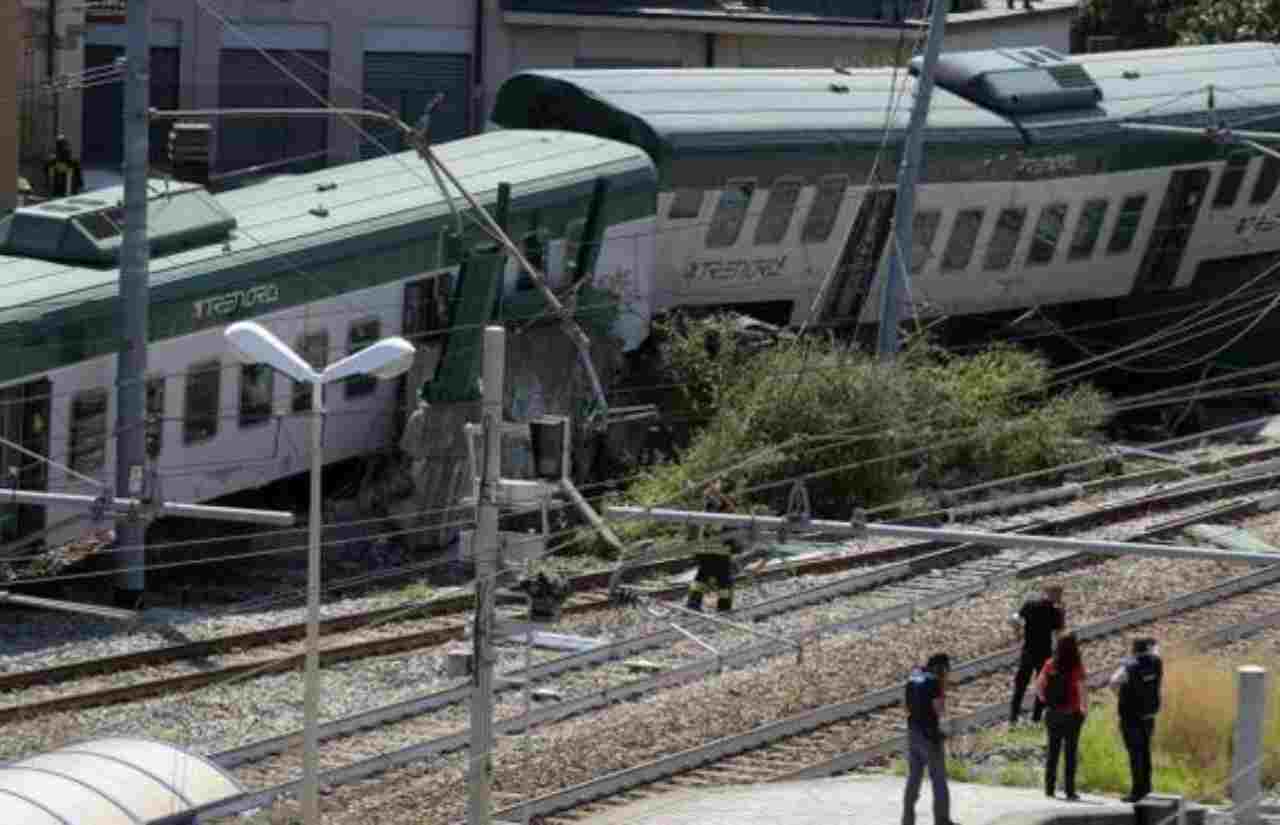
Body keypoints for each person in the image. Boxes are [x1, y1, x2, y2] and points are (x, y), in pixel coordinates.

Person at [903, 653, 959, 825]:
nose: (947, 674)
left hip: (913, 733)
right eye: (946, 670)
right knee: (938, 780)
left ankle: (907, 819)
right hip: (929, 736)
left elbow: (907, 706)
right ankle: (942, 820)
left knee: (914, 778)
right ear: (940, 668)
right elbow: (939, 710)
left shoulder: (914, 677)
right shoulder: (934, 682)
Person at [1109, 637, 1163, 803]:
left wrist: (1121, 696)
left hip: (1130, 716)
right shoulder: (1156, 663)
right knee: (1145, 753)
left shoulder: (1129, 667)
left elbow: (1113, 682)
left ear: (1133, 650)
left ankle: (1136, 792)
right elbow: (1155, 651)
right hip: (1149, 715)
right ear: (1148, 649)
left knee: (1135, 754)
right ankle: (1147, 789)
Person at [1036, 631, 1088, 800]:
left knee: (1052, 751)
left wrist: (1045, 701)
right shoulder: (1077, 666)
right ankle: (1070, 791)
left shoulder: (1050, 664)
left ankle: (1049, 789)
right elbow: (1082, 690)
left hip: (1053, 713)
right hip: (1072, 714)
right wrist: (1084, 709)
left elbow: (1038, 686)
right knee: (1070, 753)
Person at [1008, 584, 1065, 725]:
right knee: (1042, 687)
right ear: (1056, 595)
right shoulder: (1056, 612)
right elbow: (1059, 634)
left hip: (1028, 652)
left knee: (1020, 685)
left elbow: (1014, 619)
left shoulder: (1030, 604)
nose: (1059, 597)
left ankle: (1013, 718)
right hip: (1044, 655)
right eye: (1058, 594)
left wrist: (1017, 634)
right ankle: (1036, 719)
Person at [685, 479, 740, 613]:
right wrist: (717, 492)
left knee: (701, 577)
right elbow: (731, 508)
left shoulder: (706, 510)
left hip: (705, 550)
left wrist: (715, 492)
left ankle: (693, 603)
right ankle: (724, 607)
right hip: (719, 551)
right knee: (724, 580)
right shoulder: (720, 511)